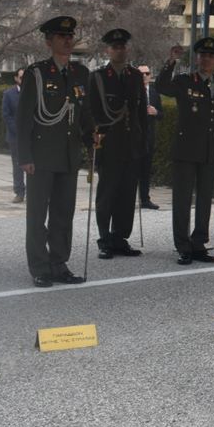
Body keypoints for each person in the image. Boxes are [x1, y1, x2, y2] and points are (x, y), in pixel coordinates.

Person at [16, 16, 93, 287]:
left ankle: (59, 263)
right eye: (62, 37)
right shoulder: (37, 74)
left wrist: (92, 135)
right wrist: (23, 157)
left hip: (69, 155)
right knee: (38, 215)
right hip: (41, 155)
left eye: (70, 36)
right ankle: (39, 266)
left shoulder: (80, 74)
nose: (68, 40)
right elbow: (24, 118)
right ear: (49, 42)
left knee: (63, 214)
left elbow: (83, 114)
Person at [157, 38, 214, 265]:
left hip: (210, 150)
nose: (206, 59)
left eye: (211, 56)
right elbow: (161, 87)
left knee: (205, 199)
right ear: (196, 58)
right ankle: (183, 245)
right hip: (186, 149)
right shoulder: (185, 81)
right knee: (183, 200)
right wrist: (171, 62)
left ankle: (199, 243)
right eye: (202, 55)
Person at [91, 29, 146, 260]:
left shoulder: (134, 76)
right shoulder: (99, 76)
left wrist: (143, 140)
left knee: (126, 194)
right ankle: (105, 239)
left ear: (127, 49)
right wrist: (92, 138)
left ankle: (120, 237)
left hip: (131, 144)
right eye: (115, 47)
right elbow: (91, 109)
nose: (119, 50)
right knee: (107, 194)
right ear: (108, 50)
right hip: (109, 143)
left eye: (122, 46)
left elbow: (141, 111)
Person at [138, 65, 162, 209]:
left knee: (146, 170)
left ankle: (145, 199)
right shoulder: (132, 91)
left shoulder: (153, 93)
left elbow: (162, 114)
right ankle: (126, 199)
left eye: (147, 73)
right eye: (141, 74)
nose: (144, 76)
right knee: (132, 171)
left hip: (149, 138)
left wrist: (156, 112)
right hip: (134, 138)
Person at [1, 69, 27, 203]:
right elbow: (6, 115)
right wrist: (17, 130)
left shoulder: (32, 93)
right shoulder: (9, 94)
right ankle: (19, 192)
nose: (24, 80)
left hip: (32, 136)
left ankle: (34, 192)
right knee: (18, 165)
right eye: (22, 77)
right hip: (15, 136)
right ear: (16, 78)